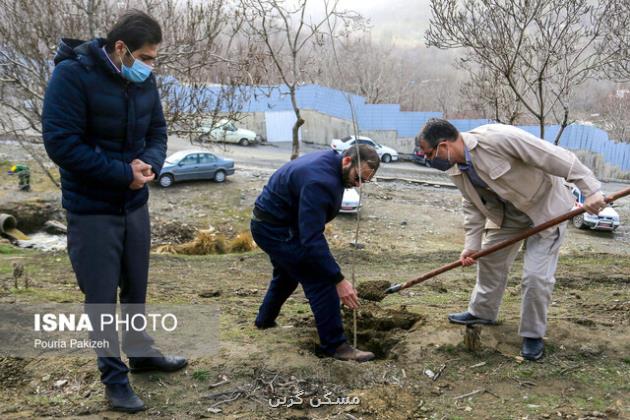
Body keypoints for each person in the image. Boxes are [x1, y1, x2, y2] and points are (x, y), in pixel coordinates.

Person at [42, 10, 186, 412]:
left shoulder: (143, 81)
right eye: (147, 57)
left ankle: (140, 353)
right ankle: (114, 379)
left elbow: (157, 131)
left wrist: (149, 165)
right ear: (120, 49)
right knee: (102, 299)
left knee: (135, 288)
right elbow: (62, 145)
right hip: (91, 209)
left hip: (134, 204)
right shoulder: (71, 76)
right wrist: (123, 173)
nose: (151, 66)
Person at [416, 119, 606, 361]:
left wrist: (591, 189)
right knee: (490, 258)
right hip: (508, 216)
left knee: (536, 277)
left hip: (546, 208)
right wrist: (471, 246)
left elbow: (554, 156)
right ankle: (482, 312)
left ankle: (533, 334)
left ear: (443, 146)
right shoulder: (456, 167)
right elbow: (472, 205)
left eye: (429, 154)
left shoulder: (498, 138)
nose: (428, 160)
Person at [252, 145, 380, 362]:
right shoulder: (319, 181)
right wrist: (338, 279)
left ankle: (264, 321)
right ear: (347, 161)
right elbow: (311, 239)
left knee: (288, 274)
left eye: (364, 182)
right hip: (275, 229)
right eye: (358, 177)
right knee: (321, 281)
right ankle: (336, 346)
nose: (358, 185)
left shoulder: (332, 162)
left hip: (275, 223)